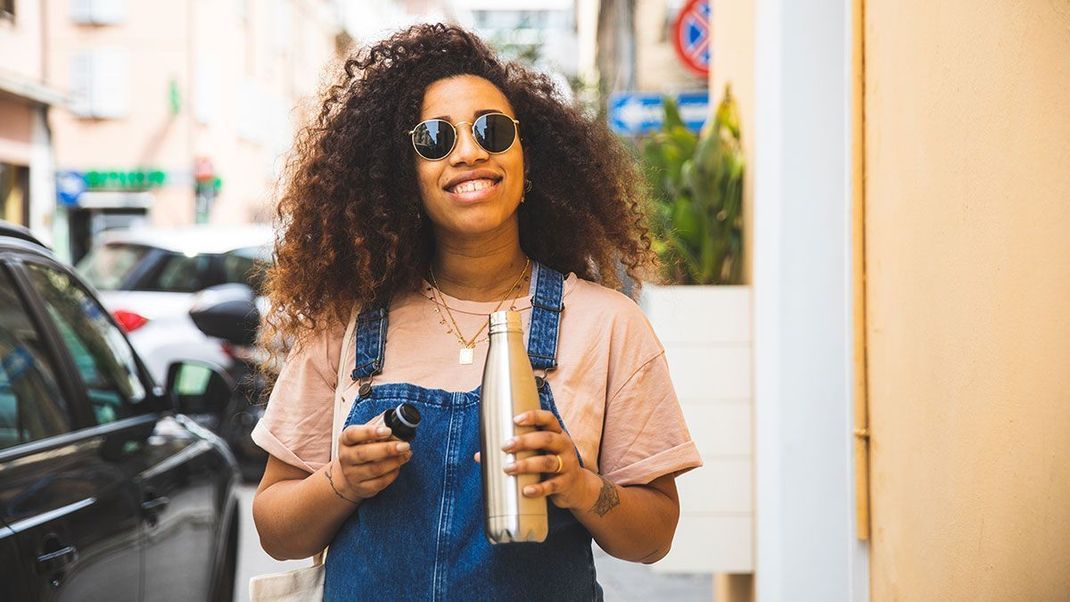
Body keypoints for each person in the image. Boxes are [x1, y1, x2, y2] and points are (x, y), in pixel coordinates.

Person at [251, 23, 702, 601]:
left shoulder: (607, 325)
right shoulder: (348, 325)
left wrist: (579, 484)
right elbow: (274, 527)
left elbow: (653, 536)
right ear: (403, 177)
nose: (469, 151)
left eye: (492, 129)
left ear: (527, 157)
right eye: (435, 138)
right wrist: (342, 481)